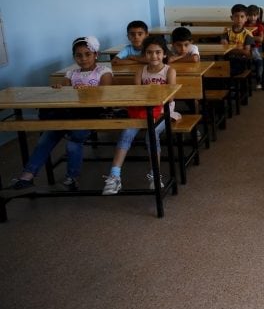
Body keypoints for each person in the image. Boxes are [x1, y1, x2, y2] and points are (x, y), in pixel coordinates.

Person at [11, 37, 113, 191]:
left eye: (88, 54)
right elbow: (64, 85)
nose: (83, 58)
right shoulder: (71, 74)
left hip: (91, 115)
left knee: (74, 141)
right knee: (46, 138)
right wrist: (60, 87)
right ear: (74, 57)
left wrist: (88, 91)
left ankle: (72, 178)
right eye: (79, 55)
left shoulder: (103, 71)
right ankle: (27, 176)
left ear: (96, 54)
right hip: (68, 114)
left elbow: (106, 91)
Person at [102, 36, 180, 195]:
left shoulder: (169, 71)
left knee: (151, 135)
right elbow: (137, 95)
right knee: (127, 133)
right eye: (150, 53)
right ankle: (114, 176)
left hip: (164, 111)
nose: (154, 56)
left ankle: (155, 175)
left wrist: (152, 91)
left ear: (164, 54)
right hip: (143, 111)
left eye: (158, 52)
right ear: (144, 55)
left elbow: (170, 97)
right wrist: (147, 95)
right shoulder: (140, 71)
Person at [221, 3, 254, 76]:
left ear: (246, 18)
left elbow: (247, 53)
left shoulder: (247, 34)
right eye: (236, 16)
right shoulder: (227, 32)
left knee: (231, 70)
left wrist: (230, 49)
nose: (239, 19)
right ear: (231, 17)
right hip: (228, 59)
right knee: (219, 68)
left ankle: (232, 85)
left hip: (241, 60)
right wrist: (238, 49)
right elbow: (224, 49)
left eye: (242, 16)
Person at [245, 4, 264, 89]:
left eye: (254, 15)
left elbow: (260, 39)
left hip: (254, 48)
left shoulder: (259, 26)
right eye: (250, 15)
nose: (252, 17)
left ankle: (259, 79)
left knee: (258, 61)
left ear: (258, 15)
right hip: (244, 47)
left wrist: (249, 37)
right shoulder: (244, 24)